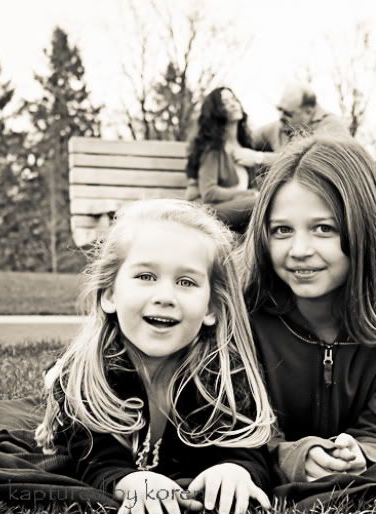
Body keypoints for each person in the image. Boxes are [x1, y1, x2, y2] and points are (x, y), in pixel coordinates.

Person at [34, 199, 276, 514]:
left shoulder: (225, 374)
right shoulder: (84, 377)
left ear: (212, 308)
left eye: (186, 282)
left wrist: (235, 470)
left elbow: (248, 449)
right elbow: (93, 461)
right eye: (146, 276)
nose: (164, 297)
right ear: (109, 294)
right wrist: (130, 481)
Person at [239, 135, 376, 483]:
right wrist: (295, 457)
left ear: (363, 228)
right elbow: (237, 427)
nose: (299, 250)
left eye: (323, 229)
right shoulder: (244, 311)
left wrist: (361, 454)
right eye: (282, 230)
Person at [185, 87, 276, 231]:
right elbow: (209, 193)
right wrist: (247, 194)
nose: (233, 104)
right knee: (261, 203)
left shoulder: (245, 146)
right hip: (213, 212)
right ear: (216, 111)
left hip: (241, 210)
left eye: (234, 99)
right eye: (225, 102)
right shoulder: (213, 149)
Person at [255, 83, 350, 152]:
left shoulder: (333, 128)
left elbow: (309, 161)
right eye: (280, 110)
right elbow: (250, 137)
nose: (281, 117)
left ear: (308, 112)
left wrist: (259, 158)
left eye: (288, 113)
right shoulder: (278, 126)